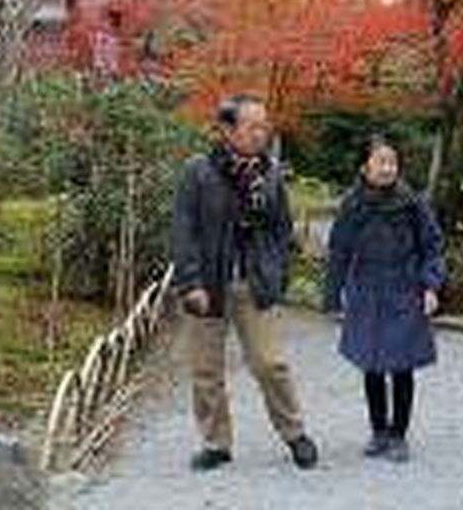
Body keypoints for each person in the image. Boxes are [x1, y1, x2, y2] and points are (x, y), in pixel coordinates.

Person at [171, 94, 318, 471]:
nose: (260, 133)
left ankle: (295, 433)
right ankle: (216, 442)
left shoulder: (269, 172)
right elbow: (183, 230)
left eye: (263, 126)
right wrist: (190, 283)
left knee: (271, 363)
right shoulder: (198, 171)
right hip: (208, 283)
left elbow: (281, 228)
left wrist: (278, 272)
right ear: (227, 130)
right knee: (206, 370)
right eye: (252, 126)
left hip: (253, 282)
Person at [322, 135, 446, 463]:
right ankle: (378, 431)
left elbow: (432, 245)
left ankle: (399, 434)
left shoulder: (412, 202)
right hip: (366, 291)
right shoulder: (353, 204)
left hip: (405, 289)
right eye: (381, 161)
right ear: (366, 167)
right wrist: (332, 297)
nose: (388, 167)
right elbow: (339, 251)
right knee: (372, 364)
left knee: (402, 365)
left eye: (392, 161)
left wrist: (430, 286)